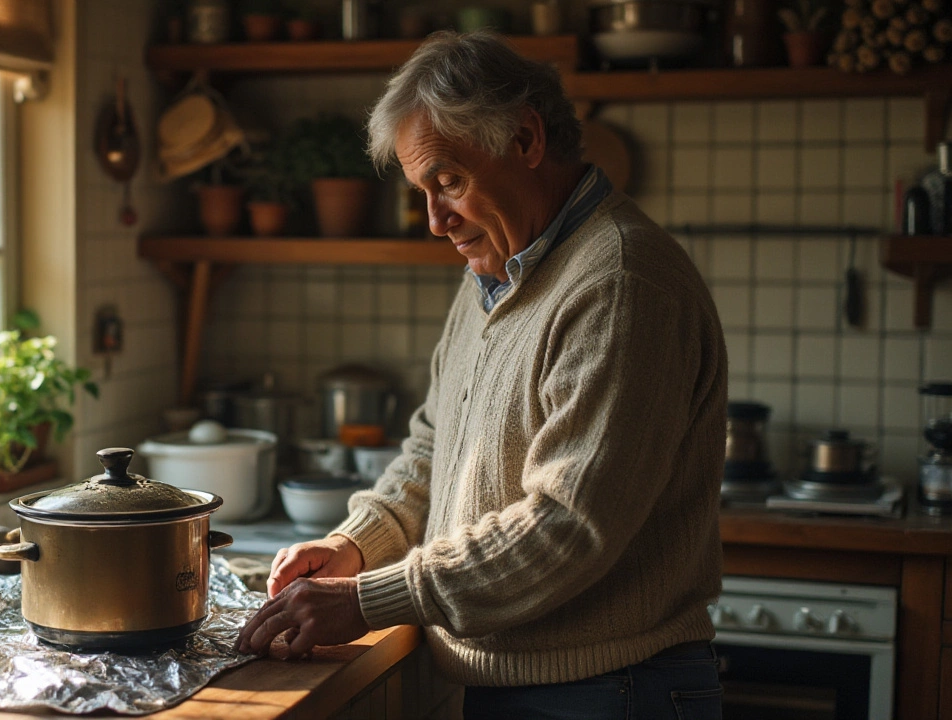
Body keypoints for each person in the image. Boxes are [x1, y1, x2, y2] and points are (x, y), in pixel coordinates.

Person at [236, 31, 727, 719]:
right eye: (422, 191)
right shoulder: (494, 274)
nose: (436, 221)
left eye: (449, 182)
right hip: (531, 686)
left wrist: (369, 598)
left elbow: (566, 528)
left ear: (525, 140)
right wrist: (354, 545)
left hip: (613, 693)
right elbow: (436, 448)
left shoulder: (619, 281)